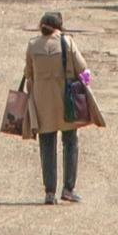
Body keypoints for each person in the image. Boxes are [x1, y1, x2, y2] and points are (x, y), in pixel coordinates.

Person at [19, 11, 95, 204]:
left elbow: (28, 73)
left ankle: (49, 192)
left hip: (42, 103)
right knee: (70, 143)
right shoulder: (67, 42)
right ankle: (68, 189)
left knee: (47, 145)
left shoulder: (32, 45)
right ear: (59, 27)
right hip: (66, 101)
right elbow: (82, 67)